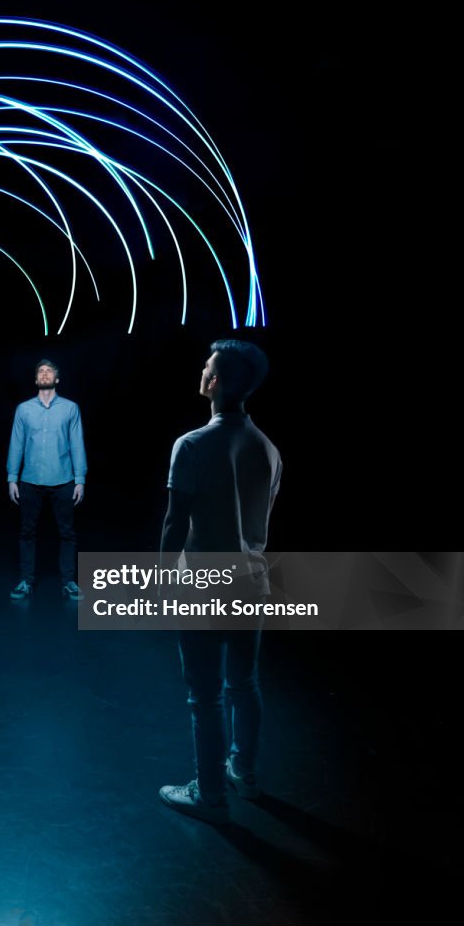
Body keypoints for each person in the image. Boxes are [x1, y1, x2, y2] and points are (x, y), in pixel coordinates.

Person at [157, 340, 282, 824]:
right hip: (252, 582)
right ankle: (244, 775)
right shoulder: (268, 448)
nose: (202, 371)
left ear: (217, 382)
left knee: (204, 696)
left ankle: (209, 794)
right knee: (245, 684)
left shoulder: (190, 444)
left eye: (207, 367)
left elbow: (174, 521)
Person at [6, 359, 87, 601]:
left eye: (49, 371)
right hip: (30, 479)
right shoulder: (23, 409)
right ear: (35, 380)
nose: (44, 374)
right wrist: (12, 477)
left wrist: (80, 478)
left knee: (67, 533)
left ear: (57, 379)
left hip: (63, 479)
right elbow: (16, 443)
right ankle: (26, 581)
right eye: (40, 371)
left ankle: (69, 582)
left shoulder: (71, 408)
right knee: (27, 532)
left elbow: (77, 444)